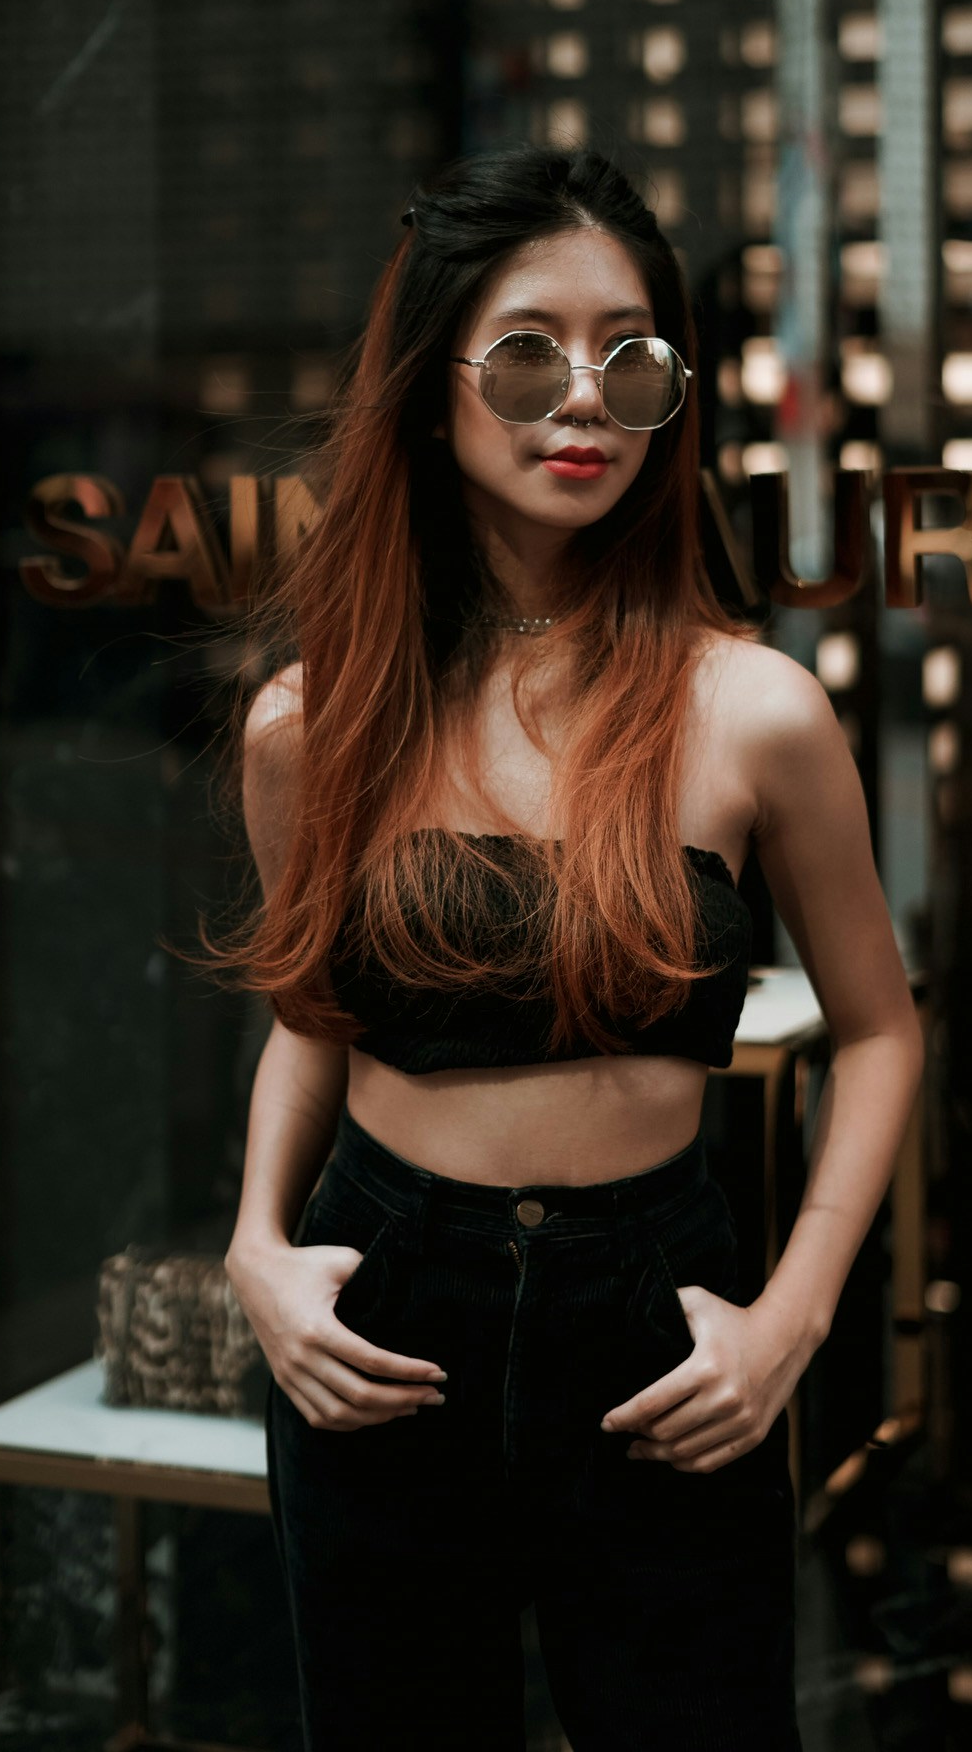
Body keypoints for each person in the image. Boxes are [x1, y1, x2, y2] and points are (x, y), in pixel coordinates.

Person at [217, 145, 922, 1751]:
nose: (586, 398)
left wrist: (793, 1318)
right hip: (387, 1310)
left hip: (653, 1321)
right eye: (530, 354)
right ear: (433, 388)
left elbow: (882, 1031)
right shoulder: (314, 727)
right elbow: (314, 1019)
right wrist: (257, 1248)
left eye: (632, 356)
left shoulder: (755, 711)